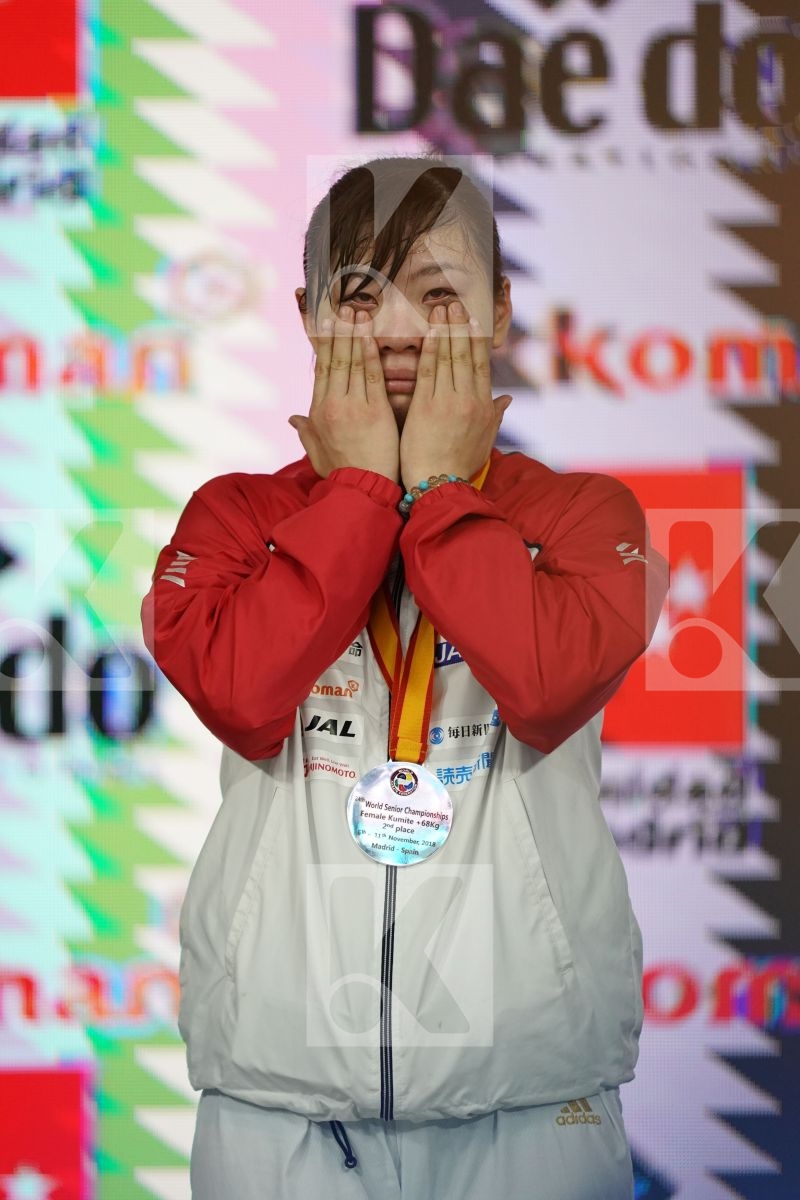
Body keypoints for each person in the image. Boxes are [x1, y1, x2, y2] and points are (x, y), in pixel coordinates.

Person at [141, 155, 670, 1200]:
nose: (396, 332)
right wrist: (351, 494)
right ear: (304, 316)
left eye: (437, 295)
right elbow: (243, 698)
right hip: (277, 1114)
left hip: (532, 1104)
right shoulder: (233, 518)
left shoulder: (584, 516)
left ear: (499, 310)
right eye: (358, 295)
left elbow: (543, 684)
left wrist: (433, 489)